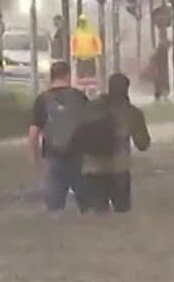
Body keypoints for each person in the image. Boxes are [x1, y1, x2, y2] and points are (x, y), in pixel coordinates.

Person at [80, 74, 152, 213]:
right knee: (122, 215)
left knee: (98, 216)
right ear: (127, 89)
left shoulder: (91, 107)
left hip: (92, 169)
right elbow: (143, 145)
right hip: (119, 170)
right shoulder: (132, 112)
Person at [28, 61, 90, 213]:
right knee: (88, 208)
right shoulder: (79, 97)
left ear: (51, 77)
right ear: (68, 75)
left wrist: (37, 161)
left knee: (54, 211)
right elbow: (91, 128)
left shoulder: (42, 100)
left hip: (53, 158)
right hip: (78, 159)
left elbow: (33, 135)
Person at [70, 15, 103, 92]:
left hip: (90, 57)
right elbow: (73, 44)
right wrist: (73, 53)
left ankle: (91, 90)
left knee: (91, 75)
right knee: (81, 75)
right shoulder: (76, 32)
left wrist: (98, 52)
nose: (82, 23)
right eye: (81, 21)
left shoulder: (92, 31)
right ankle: (82, 90)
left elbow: (98, 42)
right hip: (80, 57)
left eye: (83, 21)